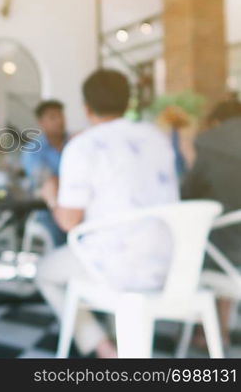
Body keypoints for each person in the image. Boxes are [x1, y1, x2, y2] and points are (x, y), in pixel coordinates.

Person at [36, 69, 179, 358]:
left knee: (44, 272)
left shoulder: (82, 146)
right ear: (129, 103)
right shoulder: (158, 138)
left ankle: (103, 347)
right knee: (110, 245)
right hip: (172, 265)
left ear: (86, 108)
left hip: (117, 268)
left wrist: (52, 198)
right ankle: (121, 338)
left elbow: (68, 221)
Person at [181, 98, 241, 347]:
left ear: (217, 121)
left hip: (224, 251)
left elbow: (187, 195)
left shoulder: (208, 142)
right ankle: (219, 328)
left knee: (200, 238)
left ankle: (207, 329)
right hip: (233, 249)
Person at [21, 99, 69, 246]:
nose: (60, 121)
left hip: (78, 204)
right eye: (53, 117)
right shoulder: (33, 150)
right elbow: (46, 183)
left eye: (61, 116)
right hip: (47, 209)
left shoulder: (76, 143)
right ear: (41, 122)